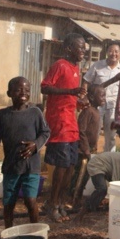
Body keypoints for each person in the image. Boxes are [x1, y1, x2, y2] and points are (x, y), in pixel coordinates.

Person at [0, 77, 51, 228]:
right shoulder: (2, 115)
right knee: (8, 204)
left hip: (31, 167)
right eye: (18, 89)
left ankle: (36, 230)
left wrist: (36, 144)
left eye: (27, 90)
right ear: (9, 93)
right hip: (11, 167)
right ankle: (8, 232)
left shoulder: (35, 112)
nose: (23, 92)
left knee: (30, 200)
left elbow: (45, 132)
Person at [41, 33, 88, 223]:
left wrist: (79, 101)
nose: (83, 51)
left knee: (70, 164)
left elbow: (69, 96)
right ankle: (52, 204)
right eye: (80, 48)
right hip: (59, 121)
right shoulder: (60, 65)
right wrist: (71, 92)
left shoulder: (76, 68)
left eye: (85, 48)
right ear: (69, 48)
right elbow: (45, 88)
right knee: (61, 165)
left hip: (71, 121)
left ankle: (59, 202)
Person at [84, 40, 120, 152]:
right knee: (94, 132)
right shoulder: (97, 66)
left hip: (113, 106)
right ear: (107, 52)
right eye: (111, 51)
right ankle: (90, 157)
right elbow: (86, 81)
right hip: (97, 105)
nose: (114, 54)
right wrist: (84, 96)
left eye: (116, 51)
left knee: (111, 135)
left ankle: (108, 160)